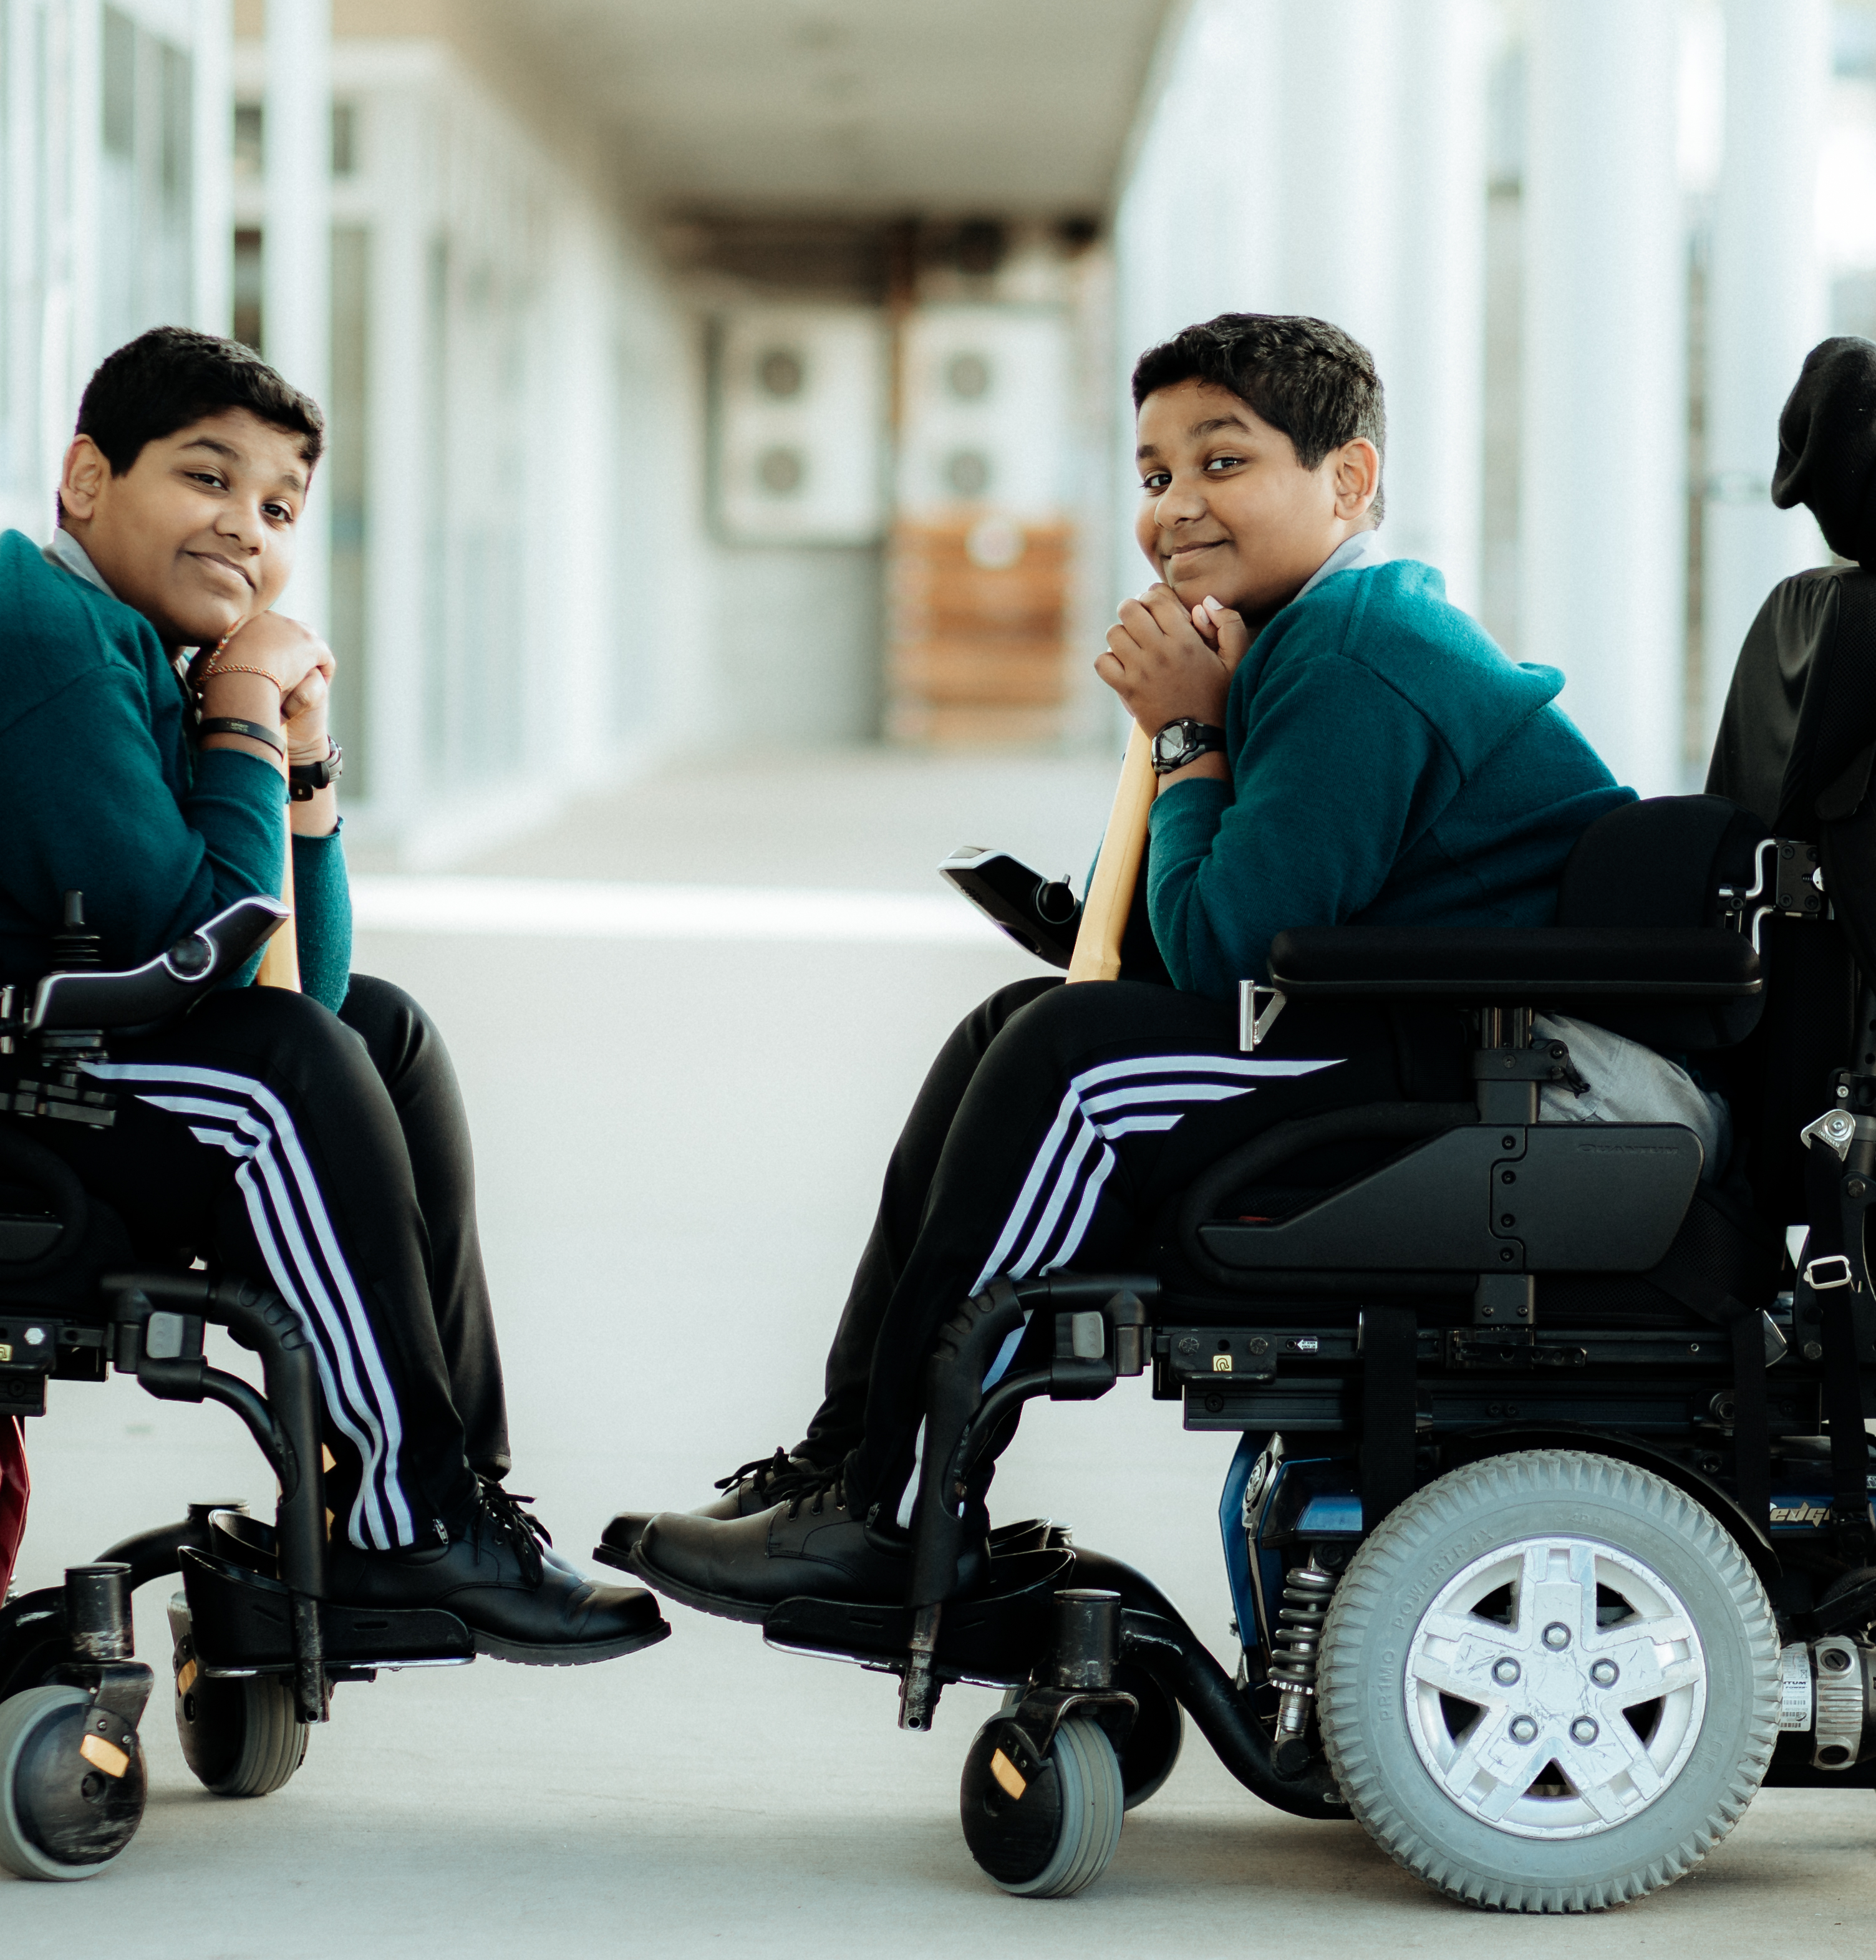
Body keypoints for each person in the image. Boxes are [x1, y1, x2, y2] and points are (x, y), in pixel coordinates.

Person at [616, 312, 1719, 1619]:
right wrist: (1191, 721)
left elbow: (1220, 952)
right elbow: (1174, 925)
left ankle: (897, 1515)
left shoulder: (1364, 652)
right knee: (1010, 1029)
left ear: (1346, 480)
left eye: (1221, 462)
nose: (1175, 505)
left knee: (1071, 1068)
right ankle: (849, 1459)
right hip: (1432, 1027)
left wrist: (1187, 727)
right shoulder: (1290, 635)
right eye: (1152, 477)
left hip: (1531, 1076)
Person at [0, 326, 663, 1663]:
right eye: (206, 479)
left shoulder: (119, 646)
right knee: (274, 1077)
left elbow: (308, 989)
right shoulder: (34, 642)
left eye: (277, 509)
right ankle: (412, 1526)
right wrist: (238, 706)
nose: (245, 527)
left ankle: (435, 1496)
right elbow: (200, 946)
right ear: (86, 479)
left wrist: (300, 756)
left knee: (376, 1034)